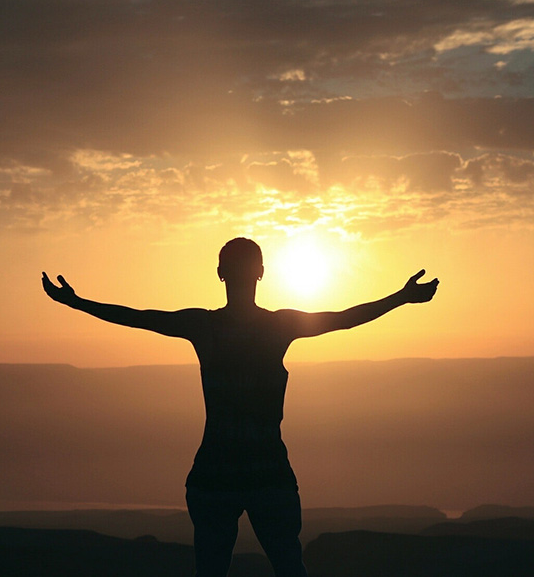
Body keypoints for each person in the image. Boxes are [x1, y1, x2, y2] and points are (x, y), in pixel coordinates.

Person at [42, 237, 439, 577]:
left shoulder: (205, 326)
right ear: (261, 273)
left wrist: (77, 304)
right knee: (288, 566)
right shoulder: (278, 326)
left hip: (215, 471)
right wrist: (401, 298)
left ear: (220, 273)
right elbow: (344, 320)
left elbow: (138, 319)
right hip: (267, 469)